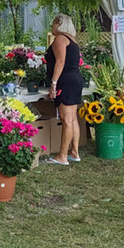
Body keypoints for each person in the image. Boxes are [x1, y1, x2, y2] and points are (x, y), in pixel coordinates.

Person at [45, 13, 85, 166]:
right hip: (75, 79)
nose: (51, 26)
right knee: (72, 118)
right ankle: (74, 152)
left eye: (53, 23)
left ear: (59, 24)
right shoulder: (72, 40)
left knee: (66, 119)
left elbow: (60, 62)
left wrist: (54, 83)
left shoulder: (60, 39)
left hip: (66, 81)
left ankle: (62, 156)